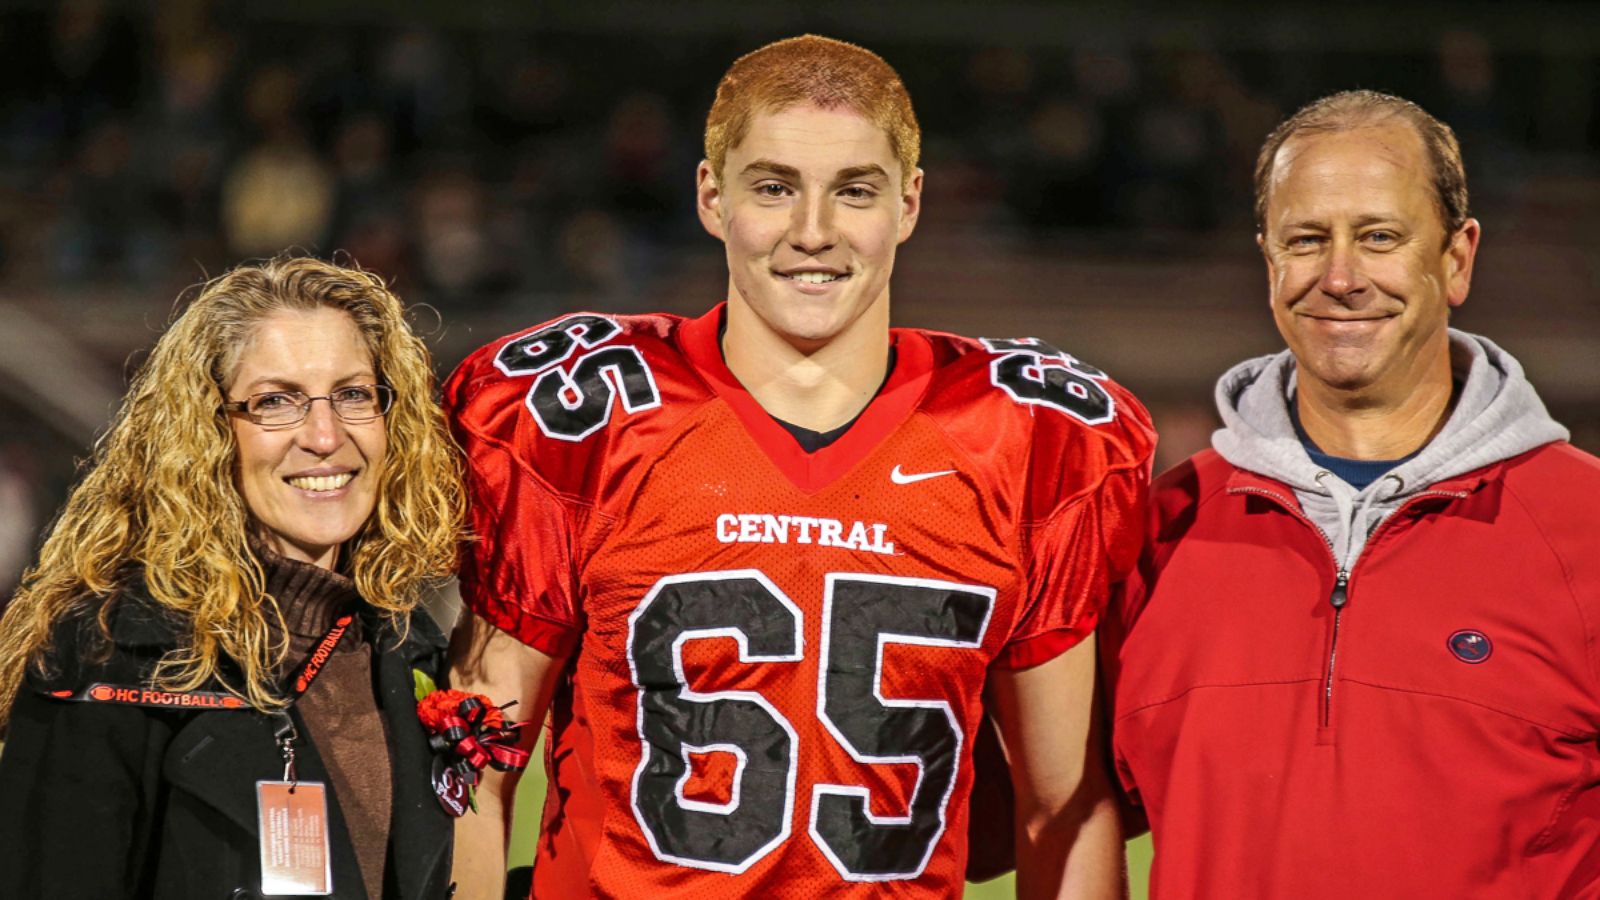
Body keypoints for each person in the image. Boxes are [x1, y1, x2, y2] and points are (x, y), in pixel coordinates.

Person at [445, 34, 1154, 899]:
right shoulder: (588, 418)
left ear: (910, 203)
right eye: (774, 188)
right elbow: (474, 774)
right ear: (712, 196)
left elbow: (1064, 808)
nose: (813, 233)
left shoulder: (1021, 436)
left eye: (854, 191)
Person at [1101, 89, 1600, 898]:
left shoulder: (1588, 529)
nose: (1339, 277)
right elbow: (1053, 812)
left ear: (1457, 258)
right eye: (1307, 240)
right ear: (1270, 263)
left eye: (1378, 237)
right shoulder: (1156, 530)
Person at [0, 256, 465, 899]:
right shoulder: (111, 652)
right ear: (210, 430)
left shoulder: (406, 642)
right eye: (277, 401)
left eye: (354, 394)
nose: (326, 436)